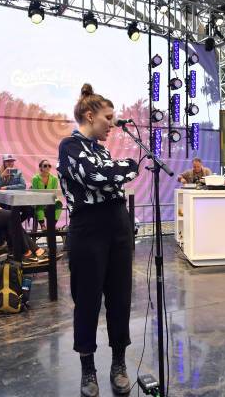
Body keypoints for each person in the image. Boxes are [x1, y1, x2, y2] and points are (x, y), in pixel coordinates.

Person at [57, 84, 138, 397]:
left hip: (117, 224)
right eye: (108, 118)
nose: (112, 124)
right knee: (87, 300)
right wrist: (129, 167)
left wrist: (113, 172)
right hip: (88, 229)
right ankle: (87, 368)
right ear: (89, 116)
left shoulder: (102, 151)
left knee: (120, 298)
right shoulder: (69, 146)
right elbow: (95, 176)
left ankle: (119, 363)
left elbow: (106, 175)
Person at [31, 159, 63, 230]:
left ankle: (52, 224)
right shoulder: (35, 178)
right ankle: (42, 225)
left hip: (51, 199)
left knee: (59, 204)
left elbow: (54, 193)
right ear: (40, 168)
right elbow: (35, 193)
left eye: (49, 166)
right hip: (39, 199)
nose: (48, 167)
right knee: (40, 204)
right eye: (45, 166)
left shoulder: (54, 178)